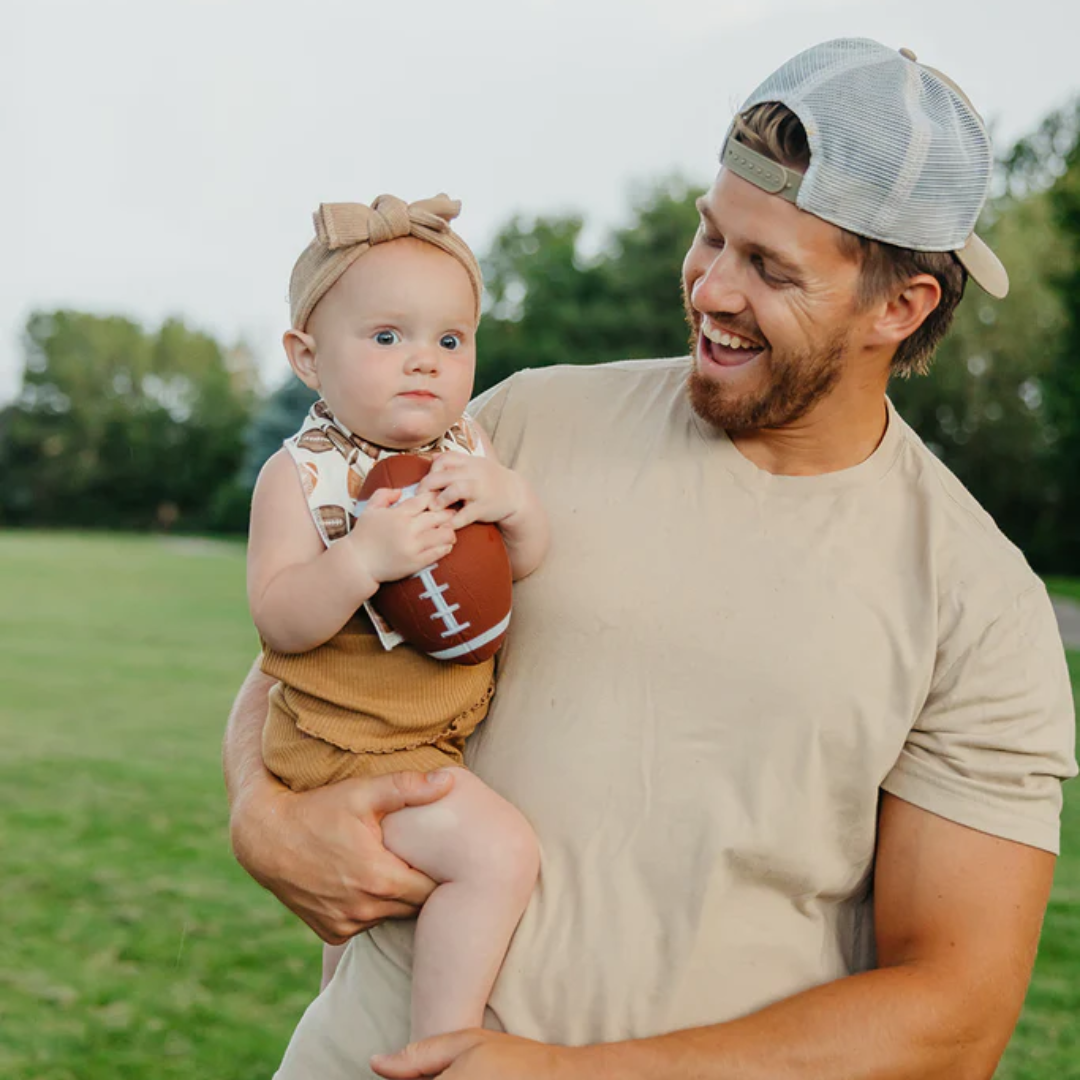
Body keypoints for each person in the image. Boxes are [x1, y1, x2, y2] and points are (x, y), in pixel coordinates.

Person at [225, 39, 1078, 1079]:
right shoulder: (523, 421)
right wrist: (261, 816)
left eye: (769, 268)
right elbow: (300, 657)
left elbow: (955, 1016)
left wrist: (550, 1073)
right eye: (711, 234)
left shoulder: (979, 605)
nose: (712, 289)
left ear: (898, 309)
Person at [245, 193, 547, 1043]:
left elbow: (517, 567)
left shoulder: (468, 450)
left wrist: (513, 504)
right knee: (497, 854)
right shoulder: (299, 477)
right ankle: (443, 1043)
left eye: (449, 341)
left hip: (428, 731)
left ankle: (339, 1026)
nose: (424, 362)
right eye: (387, 338)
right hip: (346, 742)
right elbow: (279, 620)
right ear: (308, 356)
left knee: (360, 949)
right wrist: (360, 560)